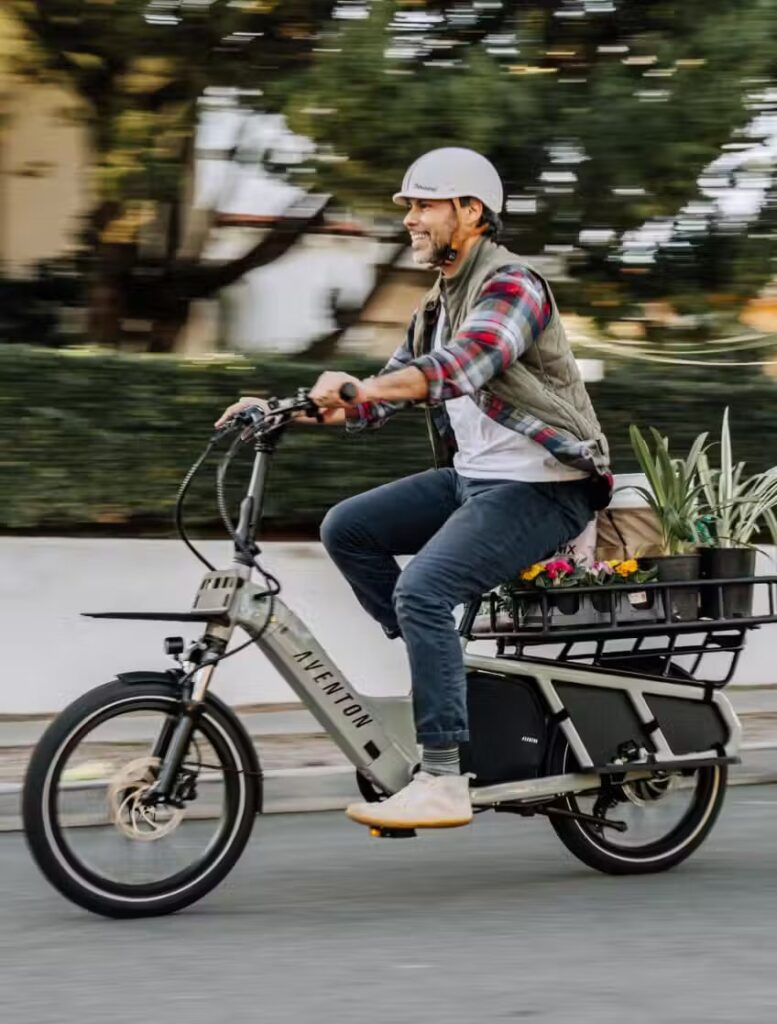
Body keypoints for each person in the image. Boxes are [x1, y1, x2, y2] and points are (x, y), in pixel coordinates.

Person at [216, 147, 612, 832]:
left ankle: (441, 779)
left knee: (422, 590)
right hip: (476, 482)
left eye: (424, 204)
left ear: (470, 212)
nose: (410, 218)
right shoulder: (436, 303)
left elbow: (462, 366)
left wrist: (365, 387)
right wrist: (285, 406)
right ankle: (441, 675)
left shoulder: (513, 285)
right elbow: (374, 398)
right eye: (407, 206)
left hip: (546, 486)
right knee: (349, 528)